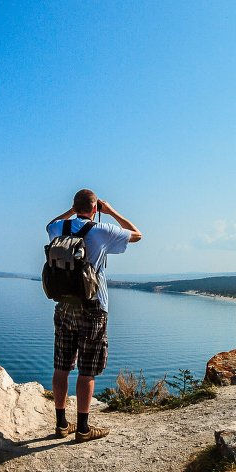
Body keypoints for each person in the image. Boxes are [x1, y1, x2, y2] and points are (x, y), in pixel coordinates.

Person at [46, 188, 142, 442]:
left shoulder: (59, 229)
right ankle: (83, 429)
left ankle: (60, 424)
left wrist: (71, 211)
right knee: (86, 370)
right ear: (95, 209)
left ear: (74, 206)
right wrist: (110, 211)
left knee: (61, 366)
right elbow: (137, 235)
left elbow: (49, 223)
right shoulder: (101, 230)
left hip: (64, 305)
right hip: (93, 307)